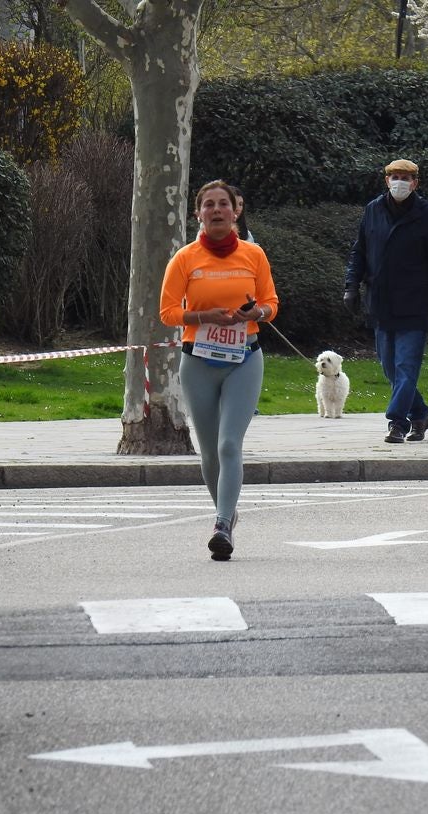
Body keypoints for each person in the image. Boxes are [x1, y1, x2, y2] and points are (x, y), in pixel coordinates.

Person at [160, 180, 279, 561]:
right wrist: (201, 316)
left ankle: (222, 524)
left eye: (222, 204)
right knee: (209, 452)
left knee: (230, 444)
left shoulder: (253, 255)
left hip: (244, 359)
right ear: (198, 213)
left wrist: (256, 312)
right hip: (198, 361)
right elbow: (167, 313)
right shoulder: (185, 258)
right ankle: (225, 512)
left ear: (235, 211)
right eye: (208, 205)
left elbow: (271, 302)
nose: (216, 211)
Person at [344, 158, 428, 444]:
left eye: (406, 177)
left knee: (406, 366)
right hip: (380, 302)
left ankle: (398, 422)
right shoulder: (373, 210)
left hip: (413, 303)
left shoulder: (426, 214)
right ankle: (420, 414)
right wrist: (351, 287)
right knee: (389, 367)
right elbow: (360, 251)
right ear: (386, 180)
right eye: (395, 176)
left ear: (415, 182)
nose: (400, 182)